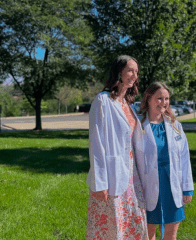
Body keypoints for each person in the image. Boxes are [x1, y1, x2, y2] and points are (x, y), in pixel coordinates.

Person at [86, 55, 148, 240]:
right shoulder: (103, 101)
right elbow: (96, 143)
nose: (134, 75)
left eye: (136, 72)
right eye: (130, 70)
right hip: (111, 178)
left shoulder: (127, 104)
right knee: (111, 229)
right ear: (118, 72)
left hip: (132, 177)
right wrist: (100, 183)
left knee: (132, 226)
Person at [134, 82, 194, 240]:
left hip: (172, 186)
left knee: (171, 234)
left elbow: (184, 159)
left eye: (166, 98)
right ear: (148, 99)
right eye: (159, 98)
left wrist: (187, 188)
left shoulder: (175, 126)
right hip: (148, 187)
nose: (164, 102)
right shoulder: (137, 126)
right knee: (148, 233)